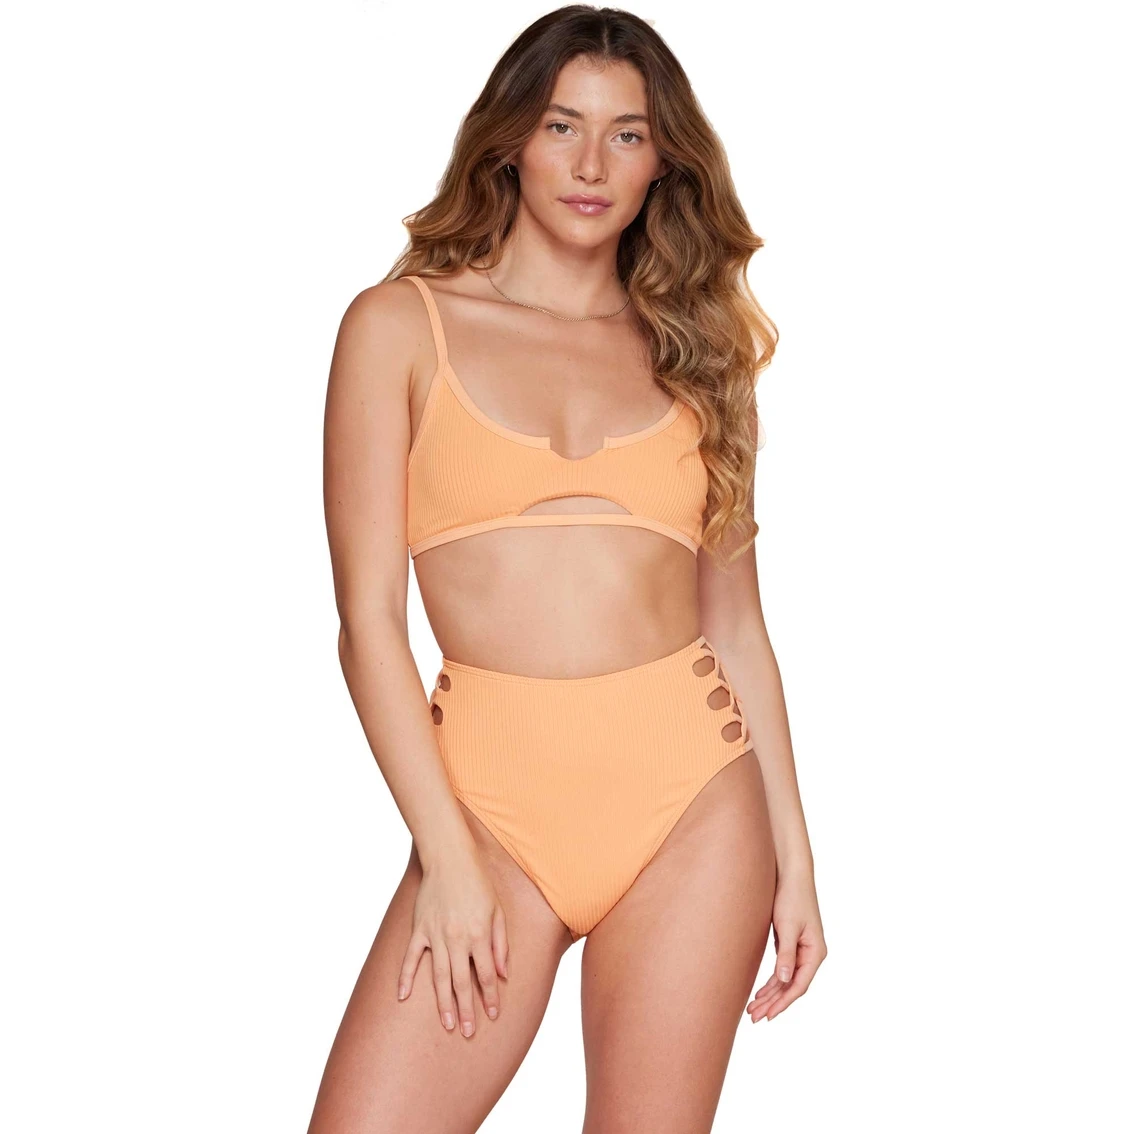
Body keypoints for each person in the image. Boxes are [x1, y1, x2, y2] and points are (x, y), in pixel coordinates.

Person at [309, 6, 826, 1131]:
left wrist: (796, 859)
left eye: (627, 134)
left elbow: (738, 627)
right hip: (487, 811)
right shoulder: (398, 328)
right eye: (562, 126)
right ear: (510, 141)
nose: (593, 164)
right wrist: (446, 856)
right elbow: (367, 624)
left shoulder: (701, 355)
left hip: (694, 809)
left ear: (662, 160)